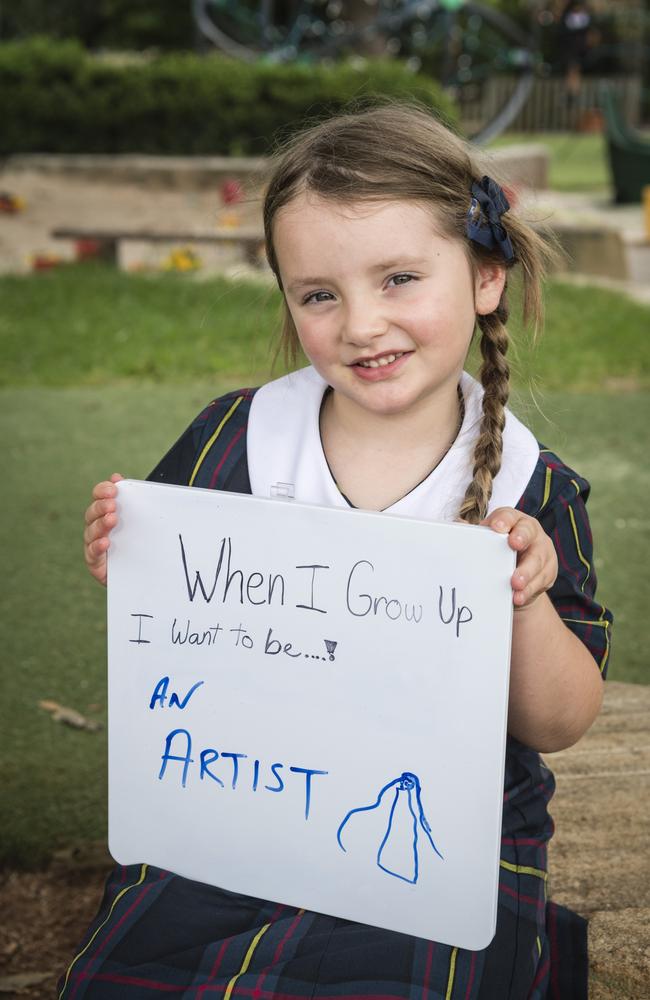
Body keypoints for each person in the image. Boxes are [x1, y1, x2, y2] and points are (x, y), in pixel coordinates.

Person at [65, 103, 611, 999]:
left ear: (484, 275)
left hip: (442, 831)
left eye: (399, 278)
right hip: (242, 796)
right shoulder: (235, 436)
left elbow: (559, 722)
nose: (360, 324)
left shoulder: (529, 485)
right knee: (135, 976)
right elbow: (175, 631)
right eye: (320, 294)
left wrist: (524, 597)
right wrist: (129, 561)